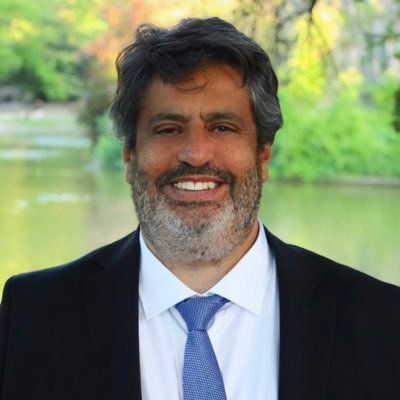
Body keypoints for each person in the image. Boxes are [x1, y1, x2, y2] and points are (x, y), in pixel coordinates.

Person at [0, 17, 399, 400]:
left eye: (222, 127)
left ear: (262, 155)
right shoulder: (33, 316)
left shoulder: (381, 320)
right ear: (129, 157)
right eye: (168, 129)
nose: (195, 153)